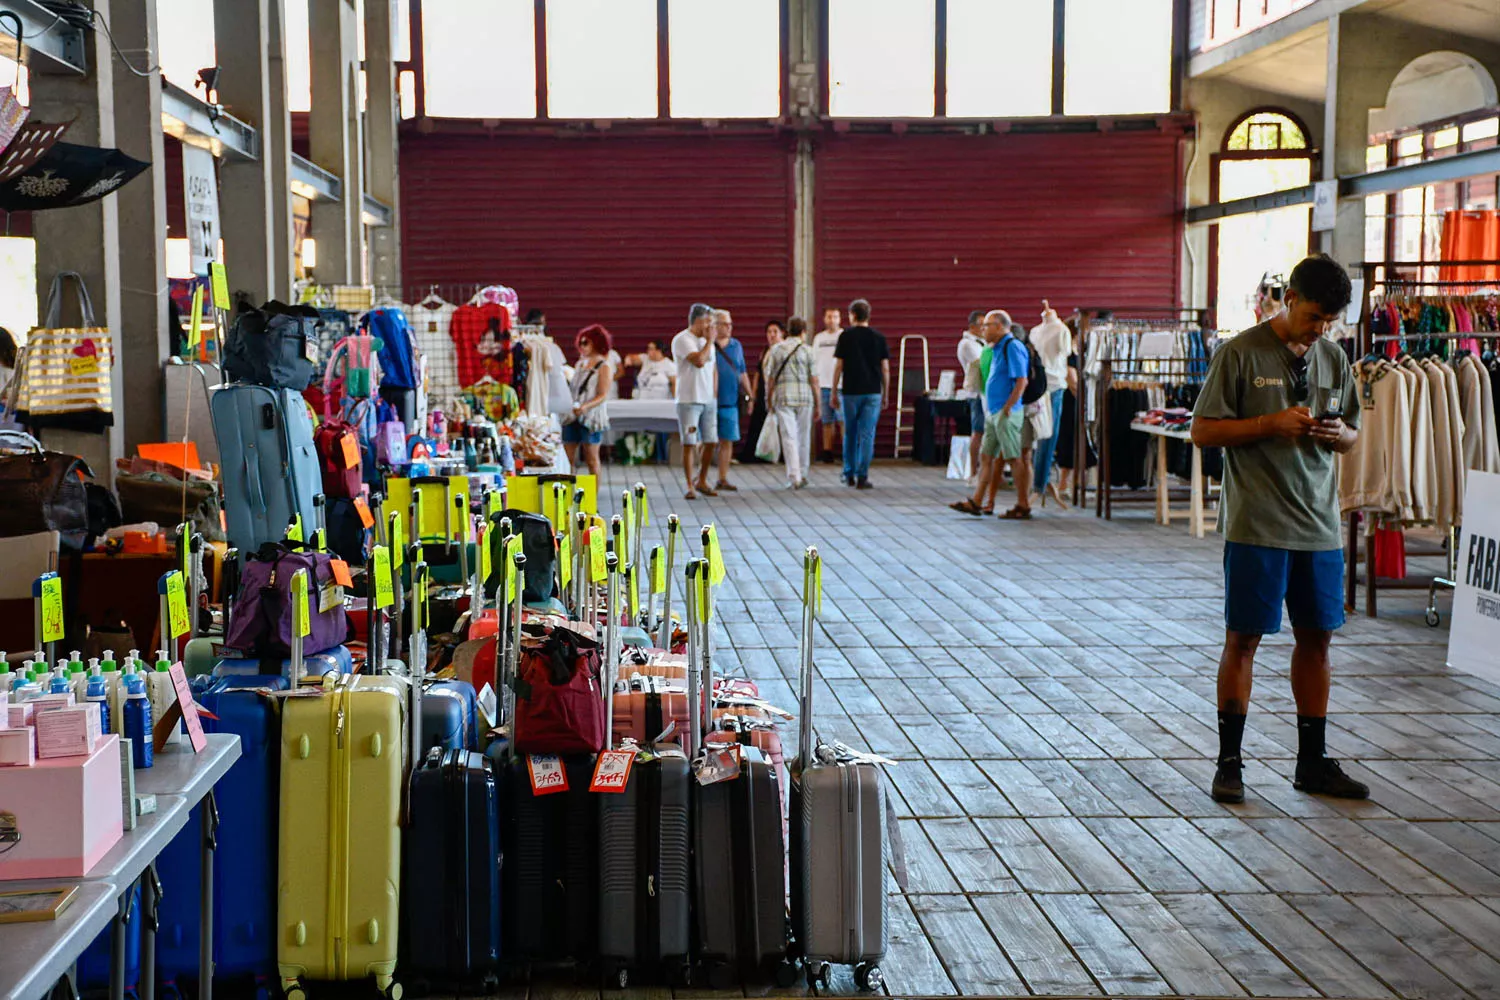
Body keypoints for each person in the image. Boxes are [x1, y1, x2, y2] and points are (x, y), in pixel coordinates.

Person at [1191, 253, 1366, 804]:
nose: (1321, 330)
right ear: (1289, 299)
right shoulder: (1240, 353)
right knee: (1243, 639)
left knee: (1317, 641)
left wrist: (1339, 436)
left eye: (1330, 322)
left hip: (1319, 526)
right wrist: (1269, 424)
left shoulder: (1335, 359)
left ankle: (1311, 763)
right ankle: (1230, 763)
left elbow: (1355, 433)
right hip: (1256, 524)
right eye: (1314, 317)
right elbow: (1201, 431)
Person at [951, 310, 1030, 518]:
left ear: (1000, 326)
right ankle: (976, 501)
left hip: (1006, 413)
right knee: (987, 457)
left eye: (987, 325)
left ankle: (1023, 504)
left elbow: (1022, 380)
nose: (983, 329)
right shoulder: (995, 348)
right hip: (993, 413)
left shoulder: (1013, 347)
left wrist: (1008, 407)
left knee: (1014, 458)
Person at [830, 298, 889, 490]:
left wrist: (833, 391)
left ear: (852, 315)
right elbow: (885, 368)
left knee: (850, 433)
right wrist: (886, 392)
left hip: (850, 392)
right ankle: (863, 475)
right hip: (873, 392)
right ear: (868, 315)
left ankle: (849, 473)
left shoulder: (845, 336)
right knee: (867, 434)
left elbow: (839, 366)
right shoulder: (879, 338)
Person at [764, 316, 817, 490]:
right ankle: (803, 472)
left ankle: (794, 477)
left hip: (783, 397)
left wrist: (768, 398)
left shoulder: (777, 350)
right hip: (804, 398)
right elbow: (814, 380)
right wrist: (819, 404)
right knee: (803, 436)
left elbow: (770, 378)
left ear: (787, 330)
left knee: (789, 437)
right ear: (804, 332)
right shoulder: (808, 351)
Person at [1029, 302, 1073, 508]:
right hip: (1038, 388)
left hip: (1054, 387)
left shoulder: (1061, 330)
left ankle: (1040, 484)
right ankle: (1039, 483)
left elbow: (1064, 355)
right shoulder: (1035, 331)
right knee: (1037, 435)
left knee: (1049, 436)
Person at [672, 303, 718, 499]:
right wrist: (709, 341)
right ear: (697, 320)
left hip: (708, 399)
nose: (710, 326)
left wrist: (714, 393)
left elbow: (712, 368)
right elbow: (699, 361)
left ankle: (702, 479)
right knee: (689, 442)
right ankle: (689, 484)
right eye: (708, 321)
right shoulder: (683, 339)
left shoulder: (709, 341)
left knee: (711, 441)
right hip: (689, 399)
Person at [562, 324, 614, 479]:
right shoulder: (580, 364)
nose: (582, 347)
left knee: (592, 459)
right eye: (581, 343)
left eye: (586, 343)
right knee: (568, 458)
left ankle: (593, 497)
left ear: (597, 343)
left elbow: (603, 394)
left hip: (592, 417)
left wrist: (585, 406)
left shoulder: (604, 366)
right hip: (573, 414)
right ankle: (569, 492)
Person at [709, 309, 751, 492]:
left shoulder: (736, 346)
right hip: (710, 402)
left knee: (727, 441)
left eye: (730, 324)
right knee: (707, 441)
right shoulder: (707, 346)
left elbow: (742, 372)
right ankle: (701, 476)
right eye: (725, 324)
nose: (729, 327)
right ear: (715, 326)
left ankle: (722, 478)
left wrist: (750, 395)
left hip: (730, 401)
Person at [740, 319, 785, 464]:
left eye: (775, 332)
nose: (771, 335)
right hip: (763, 392)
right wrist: (752, 396)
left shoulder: (784, 350)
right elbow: (758, 374)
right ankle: (756, 454)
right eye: (769, 332)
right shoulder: (765, 352)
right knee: (757, 424)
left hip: (779, 393)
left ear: (782, 333)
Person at [956, 310, 987, 483]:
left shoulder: (982, 342)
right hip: (976, 394)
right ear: (972, 326)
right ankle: (973, 472)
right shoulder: (967, 344)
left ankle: (985, 471)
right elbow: (981, 363)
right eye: (983, 325)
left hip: (986, 393)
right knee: (978, 431)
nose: (985, 328)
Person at [812, 307, 843, 463]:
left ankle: (846, 452)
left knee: (843, 420)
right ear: (824, 319)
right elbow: (814, 360)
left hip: (841, 387)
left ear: (840, 319)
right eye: (829, 317)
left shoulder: (844, 336)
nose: (832, 320)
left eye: (835, 317)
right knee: (826, 421)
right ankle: (827, 452)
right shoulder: (819, 338)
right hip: (823, 385)